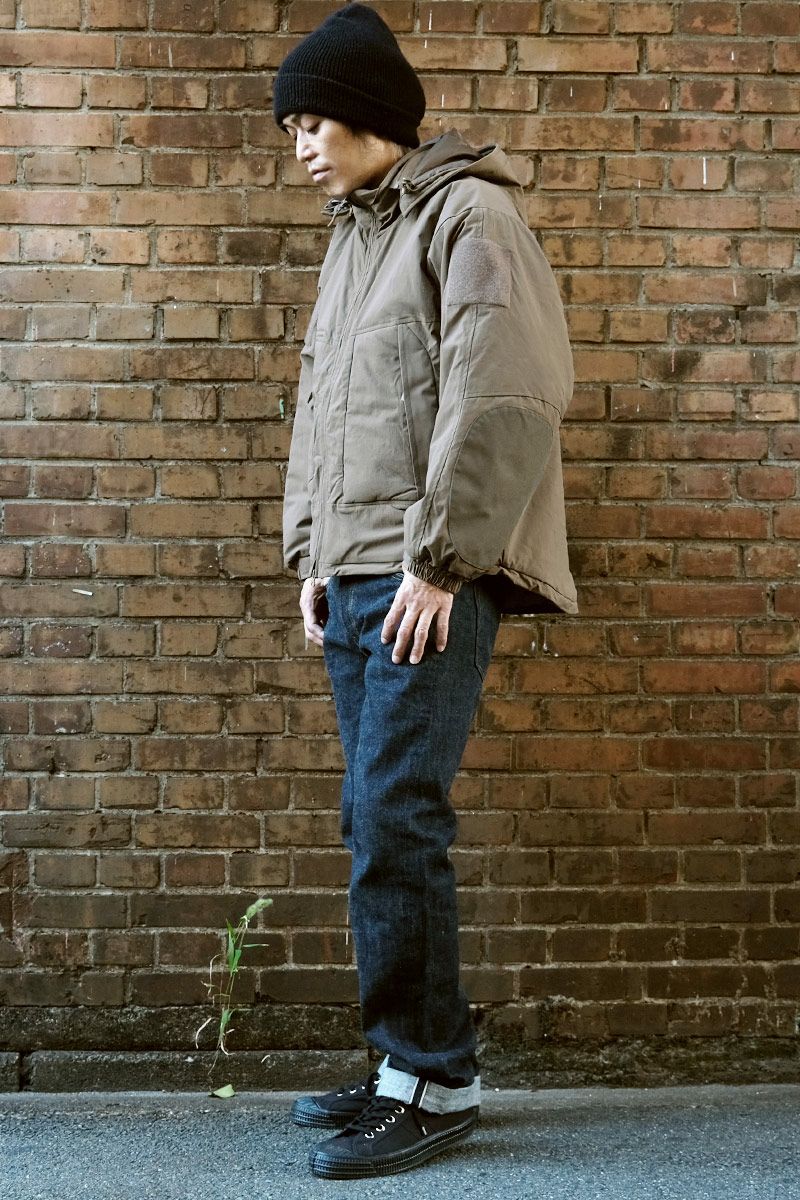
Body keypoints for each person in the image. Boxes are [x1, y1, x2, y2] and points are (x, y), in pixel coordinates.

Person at [273, 2, 577, 1180]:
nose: (302, 145)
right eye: (291, 128)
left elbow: (506, 393)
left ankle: (435, 1079)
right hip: (356, 574)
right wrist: (313, 553)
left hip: (422, 579)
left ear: (370, 114)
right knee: (373, 821)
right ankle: (401, 1064)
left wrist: (439, 561)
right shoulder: (357, 235)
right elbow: (328, 405)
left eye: (313, 120)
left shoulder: (468, 215)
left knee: (397, 816)